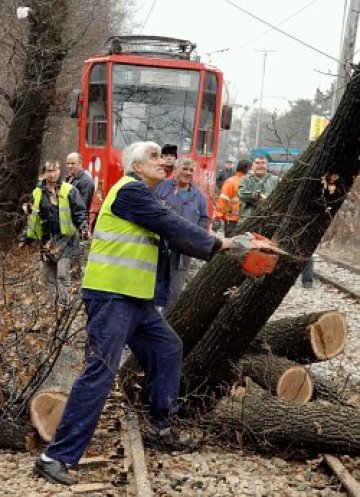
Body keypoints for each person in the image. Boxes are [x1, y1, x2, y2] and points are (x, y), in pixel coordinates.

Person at [33, 141, 274, 486]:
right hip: (112, 296)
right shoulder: (131, 192)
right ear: (135, 166)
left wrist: (226, 242)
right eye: (154, 157)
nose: (163, 162)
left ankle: (160, 426)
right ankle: (54, 457)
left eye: (163, 157)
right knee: (100, 372)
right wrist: (221, 244)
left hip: (135, 300)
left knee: (167, 348)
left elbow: (172, 232)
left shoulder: (146, 197)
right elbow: (172, 225)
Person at [19, 161, 88, 307]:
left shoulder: (69, 190)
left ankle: (64, 305)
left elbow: (80, 212)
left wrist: (83, 228)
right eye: (49, 171)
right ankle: (50, 307)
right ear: (44, 173)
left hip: (67, 240)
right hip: (47, 240)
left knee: (63, 275)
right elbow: (32, 218)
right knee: (47, 276)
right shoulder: (37, 192)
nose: (53, 174)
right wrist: (25, 238)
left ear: (59, 171)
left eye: (55, 170)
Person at [239, 156, 314, 288]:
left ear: (267, 166)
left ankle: (306, 279)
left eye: (263, 163)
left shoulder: (275, 180)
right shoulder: (246, 180)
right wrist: (255, 196)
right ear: (252, 166)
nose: (260, 165)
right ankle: (249, 277)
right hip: (251, 220)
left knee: (285, 245)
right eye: (257, 163)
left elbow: (286, 195)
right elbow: (242, 194)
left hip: (274, 220)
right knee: (250, 249)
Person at [156, 157, 209, 306]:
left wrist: (196, 238)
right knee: (153, 288)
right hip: (159, 247)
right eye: (184, 169)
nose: (188, 173)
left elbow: (204, 218)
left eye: (191, 170)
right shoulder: (162, 188)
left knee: (175, 291)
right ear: (175, 171)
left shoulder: (198, 196)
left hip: (183, 252)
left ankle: (168, 321)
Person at [213, 159, 251, 237]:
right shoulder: (250, 182)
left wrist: (217, 217)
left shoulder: (230, 181)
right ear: (247, 169)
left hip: (232, 220)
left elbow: (222, 201)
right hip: (244, 220)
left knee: (231, 244)